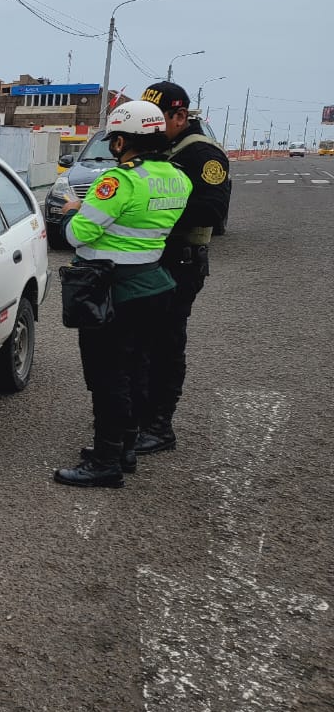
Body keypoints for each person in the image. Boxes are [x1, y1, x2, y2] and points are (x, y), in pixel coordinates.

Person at [52, 100, 191, 488]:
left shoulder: (119, 180)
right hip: (154, 284)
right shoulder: (176, 176)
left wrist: (73, 211)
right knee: (136, 371)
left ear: (121, 142)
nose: (114, 145)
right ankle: (126, 448)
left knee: (108, 376)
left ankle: (106, 461)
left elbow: (78, 235)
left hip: (112, 290)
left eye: (115, 138)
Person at [129, 80, 232, 456]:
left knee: (165, 344)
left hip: (181, 263)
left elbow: (212, 210)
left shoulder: (201, 154)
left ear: (180, 115)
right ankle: (139, 415)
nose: (152, 125)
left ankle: (160, 426)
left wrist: (154, 212)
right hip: (150, 261)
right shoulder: (161, 147)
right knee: (139, 343)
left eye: (158, 118)